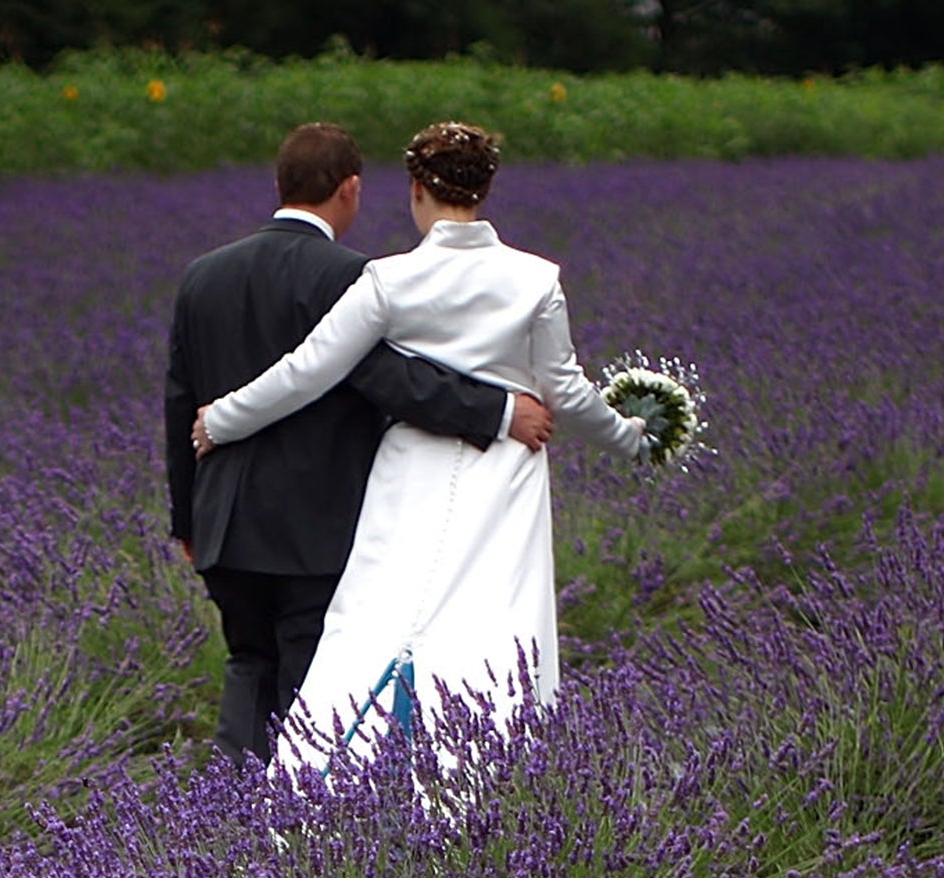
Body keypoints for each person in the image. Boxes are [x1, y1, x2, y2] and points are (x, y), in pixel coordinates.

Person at [195, 121, 648, 775]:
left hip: (410, 472)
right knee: (496, 627)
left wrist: (223, 421)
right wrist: (631, 438)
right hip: (506, 478)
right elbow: (568, 395)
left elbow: (305, 371)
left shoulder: (389, 281)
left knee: (377, 621)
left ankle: (326, 779)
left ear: (415, 191)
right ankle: (489, 782)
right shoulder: (535, 280)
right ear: (486, 188)